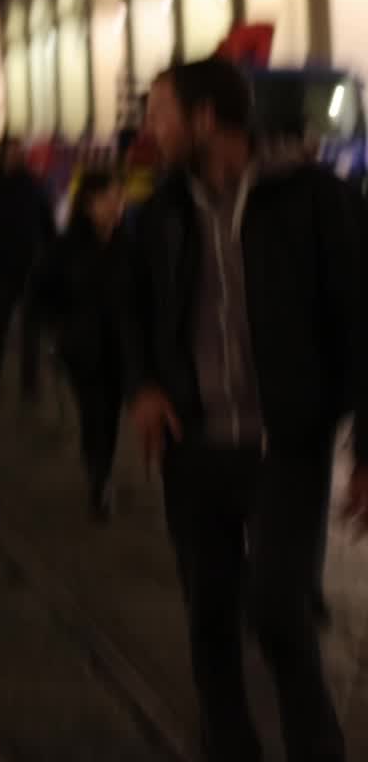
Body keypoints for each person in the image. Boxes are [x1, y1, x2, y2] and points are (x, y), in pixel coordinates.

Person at [124, 58, 367, 762]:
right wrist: (142, 386)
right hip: (193, 445)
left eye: (161, 112)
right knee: (208, 614)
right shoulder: (161, 210)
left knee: (277, 610)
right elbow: (131, 308)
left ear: (205, 120)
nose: (150, 128)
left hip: (284, 445)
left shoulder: (317, 201)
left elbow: (361, 321)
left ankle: (316, 747)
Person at [34, 168, 129, 521]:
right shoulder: (67, 247)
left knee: (110, 417)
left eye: (120, 198)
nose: (118, 205)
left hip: (119, 350)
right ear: (89, 204)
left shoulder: (127, 246)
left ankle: (101, 471)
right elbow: (43, 292)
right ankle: (99, 477)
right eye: (110, 198)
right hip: (82, 349)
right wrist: (58, 329)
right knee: (94, 413)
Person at [0, 138, 54, 398]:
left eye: (16, 152)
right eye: (9, 153)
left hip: (29, 265)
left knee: (30, 327)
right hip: (3, 264)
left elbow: (47, 225)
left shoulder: (34, 185)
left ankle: (29, 381)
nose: (13, 157)